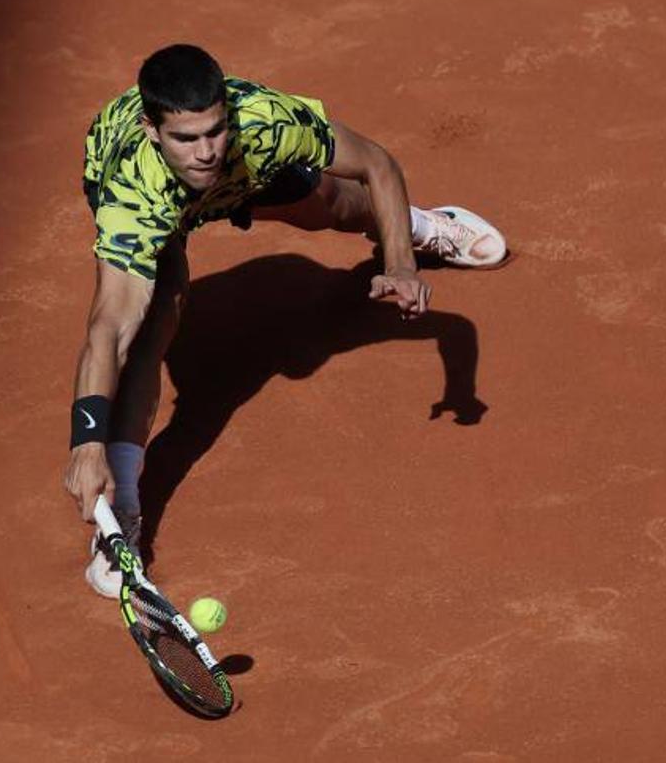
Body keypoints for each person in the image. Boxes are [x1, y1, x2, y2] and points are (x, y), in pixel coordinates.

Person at [64, 44, 506, 597]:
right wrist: (85, 446)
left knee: (331, 200)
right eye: (186, 138)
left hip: (241, 180)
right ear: (154, 131)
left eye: (215, 130)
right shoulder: (132, 193)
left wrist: (400, 264)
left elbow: (377, 164)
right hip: (161, 204)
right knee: (159, 312)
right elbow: (110, 328)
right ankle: (123, 512)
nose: (205, 151)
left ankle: (420, 226)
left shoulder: (263, 121)